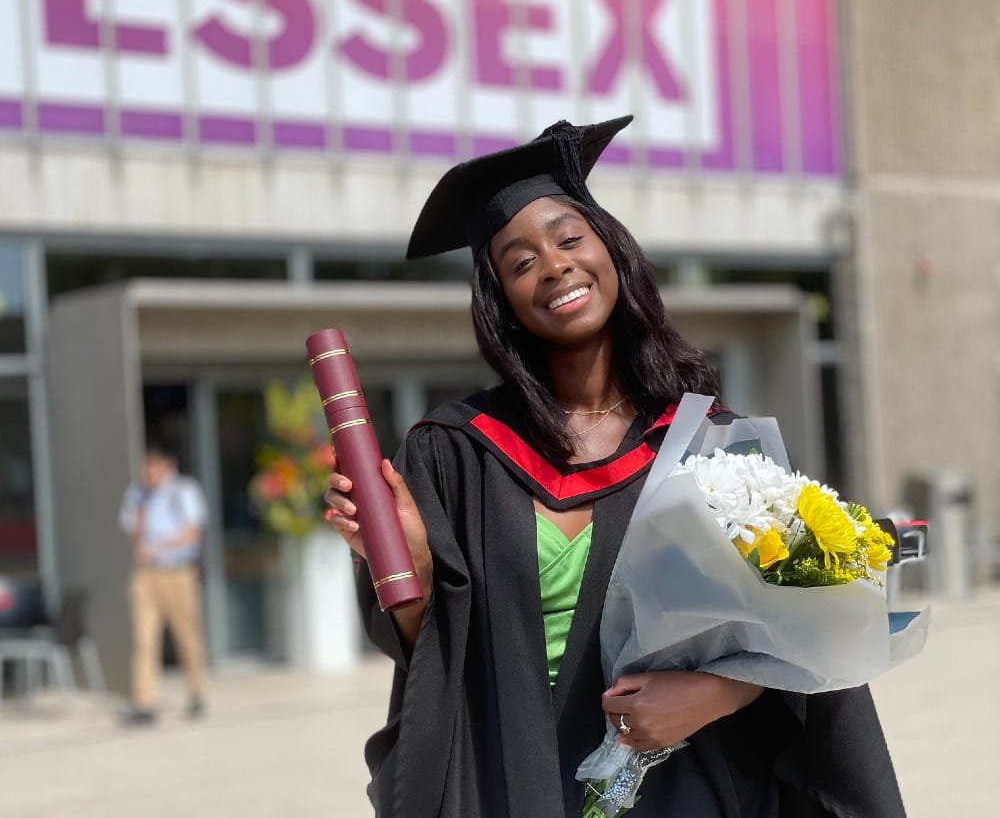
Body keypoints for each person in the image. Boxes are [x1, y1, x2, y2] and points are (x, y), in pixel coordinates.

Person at [326, 116, 905, 817]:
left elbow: (807, 637)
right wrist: (415, 565)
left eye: (570, 238)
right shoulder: (455, 451)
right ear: (500, 301)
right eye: (520, 261)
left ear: (610, 249)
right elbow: (435, 660)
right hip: (519, 782)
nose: (554, 265)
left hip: (686, 785)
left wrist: (715, 693)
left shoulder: (707, 445)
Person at [118, 445, 209, 725]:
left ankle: (196, 693)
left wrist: (157, 548)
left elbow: (192, 534)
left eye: (154, 467)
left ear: (167, 466)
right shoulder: (137, 494)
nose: (149, 474)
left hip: (178, 573)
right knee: (145, 640)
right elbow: (132, 533)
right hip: (146, 575)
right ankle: (146, 702)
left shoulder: (183, 491)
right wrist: (141, 519)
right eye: (145, 468)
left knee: (186, 635)